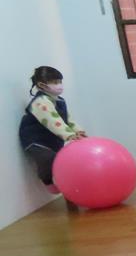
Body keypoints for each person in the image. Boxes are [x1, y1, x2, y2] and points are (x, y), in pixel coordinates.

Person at [19, 66, 86, 194]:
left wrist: (78, 131)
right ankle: (47, 180)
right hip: (36, 140)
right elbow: (52, 120)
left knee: (63, 160)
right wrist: (69, 135)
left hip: (51, 138)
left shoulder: (59, 100)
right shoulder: (40, 102)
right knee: (47, 158)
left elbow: (67, 118)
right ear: (42, 85)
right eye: (55, 82)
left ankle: (68, 186)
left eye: (60, 81)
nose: (59, 85)